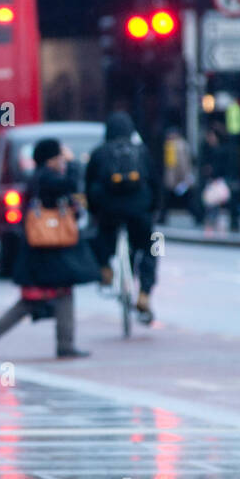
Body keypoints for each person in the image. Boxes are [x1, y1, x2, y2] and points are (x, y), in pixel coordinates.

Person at [0, 138, 94, 359]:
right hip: (48, 247)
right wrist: (73, 164)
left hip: (44, 249)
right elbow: (71, 184)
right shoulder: (46, 177)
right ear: (49, 159)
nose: (62, 161)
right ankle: (64, 344)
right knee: (55, 293)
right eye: (58, 157)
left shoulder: (39, 177)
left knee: (40, 296)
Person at [86, 111, 160, 324]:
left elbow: (89, 185)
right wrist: (154, 209)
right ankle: (144, 293)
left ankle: (105, 270)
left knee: (102, 237)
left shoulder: (99, 153)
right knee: (148, 248)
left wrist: (94, 212)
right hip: (139, 210)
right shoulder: (141, 151)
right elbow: (155, 183)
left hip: (109, 210)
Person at [199, 125, 240, 232]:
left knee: (216, 202)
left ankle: (217, 222)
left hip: (222, 181)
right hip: (218, 181)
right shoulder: (209, 149)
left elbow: (224, 167)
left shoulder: (222, 150)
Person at [159, 126, 203, 226]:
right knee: (171, 200)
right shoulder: (173, 145)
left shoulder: (178, 146)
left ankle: (198, 216)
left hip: (177, 179)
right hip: (174, 179)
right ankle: (198, 217)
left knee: (186, 200)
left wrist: (184, 178)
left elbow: (181, 164)